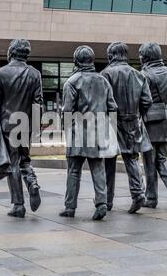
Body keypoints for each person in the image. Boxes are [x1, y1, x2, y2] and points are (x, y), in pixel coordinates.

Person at [0, 39, 43, 218]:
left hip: (7, 126)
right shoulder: (35, 74)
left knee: (12, 164)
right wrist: (35, 126)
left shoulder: (0, 74)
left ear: (11, 52)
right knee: (25, 160)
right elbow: (38, 103)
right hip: (25, 124)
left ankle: (18, 205)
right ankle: (32, 183)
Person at [60, 45, 118, 220]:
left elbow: (67, 112)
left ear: (76, 61)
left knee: (73, 171)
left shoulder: (71, 82)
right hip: (98, 131)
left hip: (78, 132)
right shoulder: (103, 81)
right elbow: (113, 107)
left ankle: (70, 207)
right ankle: (101, 203)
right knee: (98, 169)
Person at [101, 42, 153, 214]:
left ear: (112, 55)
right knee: (131, 159)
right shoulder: (138, 75)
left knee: (109, 161)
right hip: (132, 121)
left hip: (112, 122)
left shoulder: (105, 75)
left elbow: (102, 102)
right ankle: (138, 193)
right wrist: (137, 114)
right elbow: (147, 101)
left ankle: (107, 200)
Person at [139, 42, 167, 211]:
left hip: (149, 123)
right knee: (162, 159)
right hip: (166, 120)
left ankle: (151, 198)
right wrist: (163, 105)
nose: (140, 58)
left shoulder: (143, 74)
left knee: (149, 162)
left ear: (147, 57)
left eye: (141, 55)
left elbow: (141, 101)